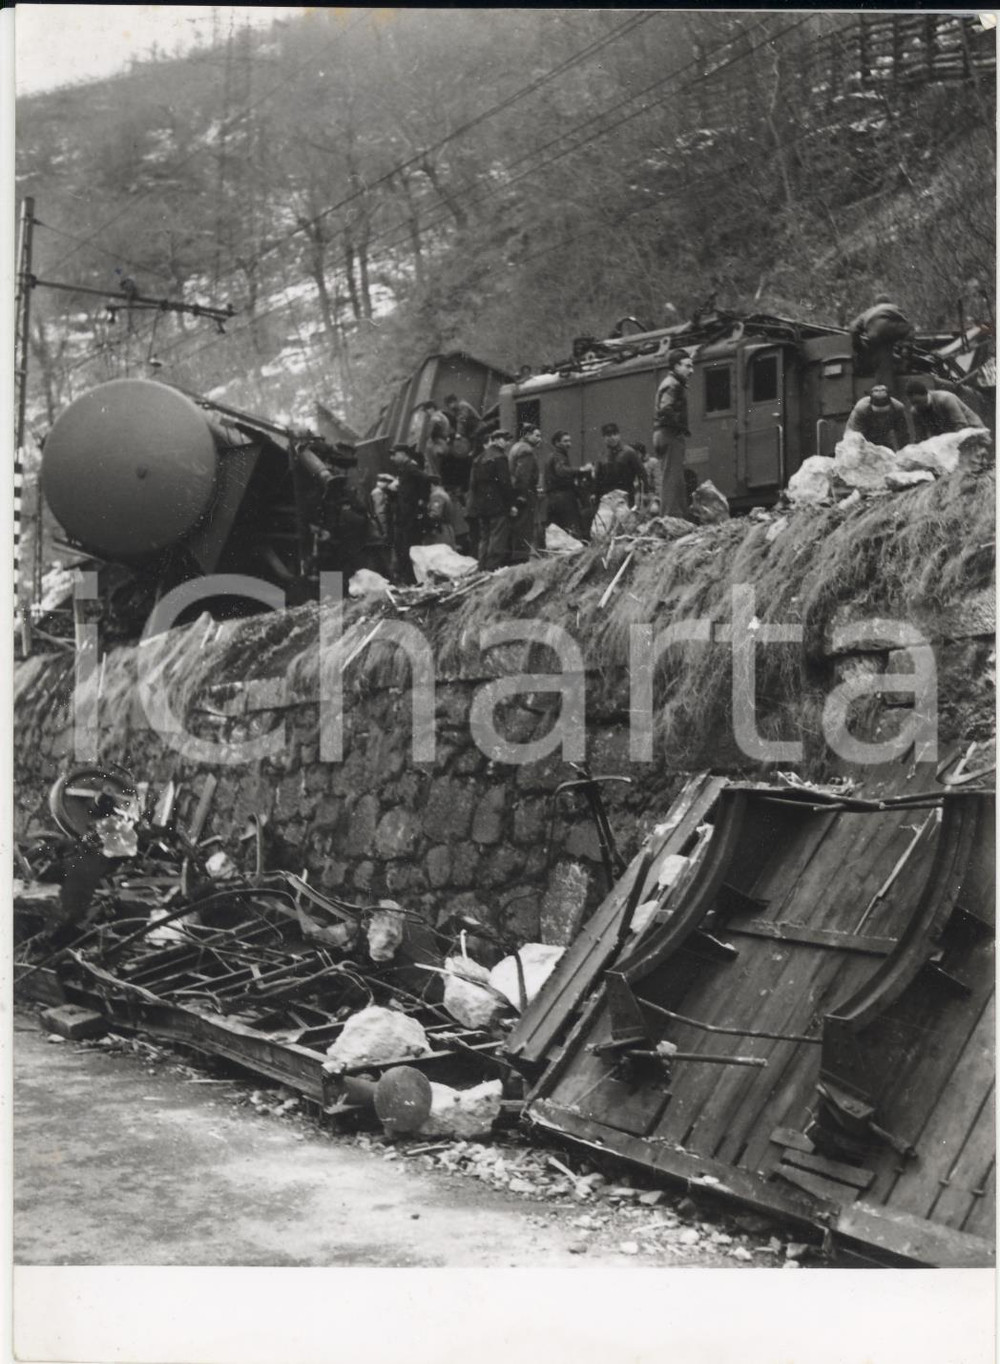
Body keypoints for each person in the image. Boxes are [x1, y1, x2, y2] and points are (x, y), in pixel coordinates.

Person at [654, 350, 695, 518]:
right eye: (687, 366)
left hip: (665, 434)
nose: (691, 370)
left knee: (673, 476)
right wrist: (679, 425)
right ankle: (672, 517)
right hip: (669, 434)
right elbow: (665, 408)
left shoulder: (671, 382)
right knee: (673, 478)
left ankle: (674, 515)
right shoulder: (673, 384)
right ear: (676, 366)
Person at [467, 430, 516, 570]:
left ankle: (481, 569)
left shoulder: (479, 458)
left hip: (482, 506)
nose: (507, 443)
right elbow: (505, 484)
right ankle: (491, 569)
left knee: (484, 539)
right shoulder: (500, 458)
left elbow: (474, 484)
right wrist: (511, 505)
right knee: (497, 539)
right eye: (505, 440)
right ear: (497, 440)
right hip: (498, 506)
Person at [849, 294, 914, 395]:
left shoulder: (868, 311)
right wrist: (906, 345)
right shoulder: (894, 307)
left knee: (883, 363)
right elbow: (907, 322)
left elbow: (853, 328)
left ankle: (886, 391)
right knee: (910, 328)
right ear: (889, 302)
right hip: (894, 330)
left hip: (875, 334)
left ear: (875, 304)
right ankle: (904, 357)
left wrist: (858, 346)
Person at [389, 444, 432, 584]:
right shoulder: (405, 469)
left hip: (410, 517)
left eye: (395, 454)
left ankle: (412, 580)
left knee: (409, 548)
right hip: (405, 516)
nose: (392, 458)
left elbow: (425, 479)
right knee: (403, 548)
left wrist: (422, 500)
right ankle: (409, 579)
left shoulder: (411, 468)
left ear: (404, 454)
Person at [543, 430, 589, 539]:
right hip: (563, 498)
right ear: (557, 443)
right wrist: (581, 469)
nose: (569, 444)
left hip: (552, 498)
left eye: (569, 441)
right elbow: (561, 471)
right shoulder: (559, 456)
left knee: (556, 530)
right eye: (565, 441)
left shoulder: (553, 455)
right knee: (571, 528)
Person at [905, 380, 987, 442]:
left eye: (918, 402)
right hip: (950, 436)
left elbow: (961, 424)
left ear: (925, 393)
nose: (916, 406)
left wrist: (948, 443)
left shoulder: (945, 399)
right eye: (913, 403)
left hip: (972, 430)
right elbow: (920, 436)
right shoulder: (915, 411)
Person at [507, 425, 543, 562]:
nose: (539, 439)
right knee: (525, 529)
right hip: (526, 494)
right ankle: (521, 562)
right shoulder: (526, 450)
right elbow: (523, 476)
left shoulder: (516, 447)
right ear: (527, 435)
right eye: (536, 435)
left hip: (520, 493)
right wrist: (522, 496)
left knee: (520, 529)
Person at [596, 422, 648, 508]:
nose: (612, 438)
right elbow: (598, 477)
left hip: (626, 496)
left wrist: (645, 493)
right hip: (608, 497)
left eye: (615, 434)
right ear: (604, 438)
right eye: (608, 435)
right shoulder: (603, 455)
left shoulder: (629, 452)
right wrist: (595, 493)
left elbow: (642, 474)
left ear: (619, 435)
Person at [844, 384, 910, 450]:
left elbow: (903, 435)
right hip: (862, 435)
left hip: (884, 436)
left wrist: (904, 453)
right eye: (877, 413)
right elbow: (854, 436)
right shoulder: (861, 409)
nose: (881, 417)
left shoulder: (898, 408)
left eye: (884, 413)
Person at [442, 393, 481, 458]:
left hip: (478, 429)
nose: (449, 407)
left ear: (454, 401)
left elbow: (462, 420)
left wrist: (458, 434)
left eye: (449, 404)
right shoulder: (456, 410)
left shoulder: (463, 405)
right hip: (472, 431)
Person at [425, 478, 458, 550]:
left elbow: (435, 514)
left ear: (431, 484)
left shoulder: (437, 495)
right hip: (445, 530)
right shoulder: (442, 493)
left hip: (440, 532)